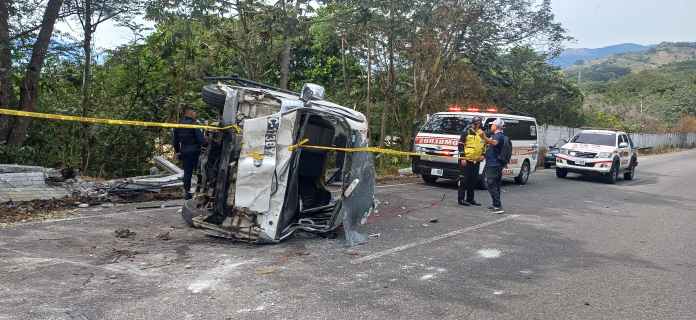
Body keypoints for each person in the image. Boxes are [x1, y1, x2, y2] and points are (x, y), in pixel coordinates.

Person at [172, 106, 205, 200]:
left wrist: (178, 151)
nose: (196, 114)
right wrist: (206, 143)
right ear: (190, 113)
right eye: (195, 112)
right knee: (201, 172)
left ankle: (187, 193)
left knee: (187, 173)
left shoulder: (179, 124)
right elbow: (201, 140)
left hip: (184, 152)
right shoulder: (194, 124)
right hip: (196, 152)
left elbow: (175, 141)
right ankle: (200, 192)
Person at [480, 118, 507, 214]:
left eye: (492, 125)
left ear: (496, 126)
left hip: (494, 164)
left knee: (490, 183)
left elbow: (494, 142)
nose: (491, 126)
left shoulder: (498, 136)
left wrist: (484, 137)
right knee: (496, 184)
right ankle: (496, 204)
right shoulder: (496, 135)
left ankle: (498, 206)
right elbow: (490, 142)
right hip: (495, 164)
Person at [457, 116, 485, 206]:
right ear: (473, 123)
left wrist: (483, 155)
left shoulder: (481, 133)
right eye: (477, 123)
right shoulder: (466, 132)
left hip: (476, 161)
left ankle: (470, 199)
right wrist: (463, 157)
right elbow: (460, 145)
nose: (478, 124)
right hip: (466, 160)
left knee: (473, 181)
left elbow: (484, 146)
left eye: (480, 123)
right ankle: (461, 199)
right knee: (464, 180)